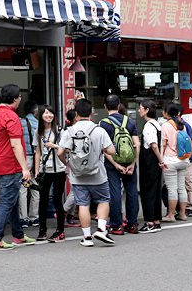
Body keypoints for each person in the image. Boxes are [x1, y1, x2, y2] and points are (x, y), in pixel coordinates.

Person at [56, 98, 115, 247]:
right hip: (98, 174)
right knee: (103, 200)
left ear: (76, 114)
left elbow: (60, 152)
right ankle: (101, 229)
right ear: (91, 113)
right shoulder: (99, 130)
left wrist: (67, 163)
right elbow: (111, 151)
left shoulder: (69, 131)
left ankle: (87, 238)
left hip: (77, 175)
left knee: (83, 204)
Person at [0, 84, 36, 250]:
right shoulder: (11, 117)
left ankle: (18, 235)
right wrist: (25, 168)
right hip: (10, 164)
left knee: (12, 201)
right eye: (19, 97)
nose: (20, 99)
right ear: (15, 99)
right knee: (7, 202)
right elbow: (16, 145)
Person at [99, 94, 140, 235]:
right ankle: (132, 223)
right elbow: (137, 144)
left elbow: (103, 148)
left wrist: (115, 164)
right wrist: (133, 163)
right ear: (118, 106)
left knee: (115, 192)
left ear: (105, 107)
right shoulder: (129, 122)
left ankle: (116, 225)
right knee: (132, 192)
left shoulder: (103, 123)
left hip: (112, 163)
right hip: (129, 161)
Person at [33, 105, 67, 242]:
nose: (48, 115)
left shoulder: (60, 131)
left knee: (58, 200)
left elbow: (66, 149)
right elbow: (38, 152)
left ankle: (60, 230)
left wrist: (55, 146)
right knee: (43, 200)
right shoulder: (38, 132)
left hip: (58, 170)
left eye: (51, 113)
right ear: (41, 115)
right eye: (46, 113)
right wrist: (36, 170)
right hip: (44, 171)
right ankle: (42, 230)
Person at [160, 102, 190, 223]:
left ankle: (171, 215)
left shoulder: (166, 126)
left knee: (172, 189)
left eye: (164, 110)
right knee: (181, 188)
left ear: (167, 113)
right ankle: (182, 214)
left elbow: (163, 144)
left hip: (170, 161)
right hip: (183, 160)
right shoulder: (183, 125)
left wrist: (160, 160)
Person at [137, 99, 163, 232]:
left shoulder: (148, 126)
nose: (139, 110)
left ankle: (150, 222)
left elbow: (153, 145)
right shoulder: (157, 125)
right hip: (155, 164)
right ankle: (156, 220)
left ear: (147, 110)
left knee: (147, 192)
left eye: (141, 108)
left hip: (149, 163)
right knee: (155, 191)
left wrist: (161, 160)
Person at [18, 100, 40, 227]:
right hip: (35, 159)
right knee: (35, 186)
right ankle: (34, 217)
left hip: (24, 159)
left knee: (23, 188)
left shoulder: (20, 123)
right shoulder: (38, 123)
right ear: (36, 111)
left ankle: (23, 218)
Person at [181, 108, 192, 217]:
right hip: (177, 160)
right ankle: (181, 207)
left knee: (188, 183)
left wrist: (188, 156)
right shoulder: (170, 125)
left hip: (187, 160)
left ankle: (190, 207)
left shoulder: (186, 126)